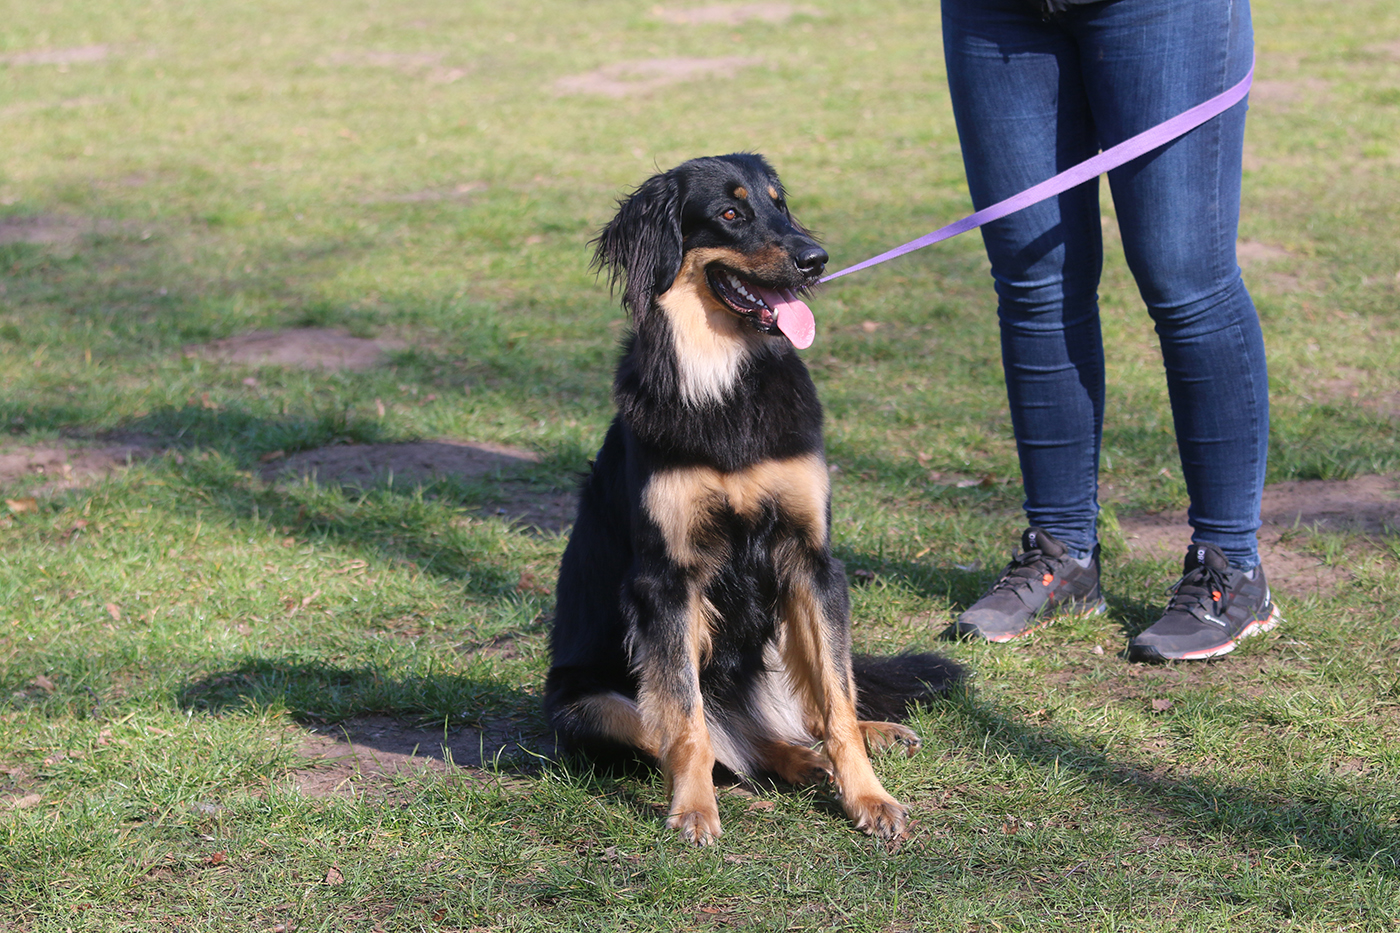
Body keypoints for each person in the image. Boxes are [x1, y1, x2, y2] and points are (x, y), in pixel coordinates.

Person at [940, 0, 1281, 660]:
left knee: (1184, 279)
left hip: (1162, 14)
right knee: (1034, 281)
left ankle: (1232, 570)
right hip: (994, 15)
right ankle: (1062, 556)